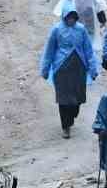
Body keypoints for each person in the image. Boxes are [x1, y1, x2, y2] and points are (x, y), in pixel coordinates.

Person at [39, 9, 97, 138]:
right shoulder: (56, 30)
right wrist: (45, 69)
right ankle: (66, 126)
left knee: (77, 97)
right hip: (61, 68)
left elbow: (88, 50)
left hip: (78, 67)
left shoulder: (81, 29)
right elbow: (49, 50)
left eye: (73, 17)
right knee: (64, 98)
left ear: (76, 17)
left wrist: (93, 68)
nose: (71, 19)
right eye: (68, 17)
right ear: (64, 17)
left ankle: (73, 114)